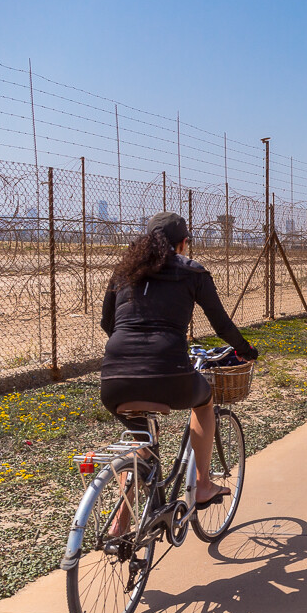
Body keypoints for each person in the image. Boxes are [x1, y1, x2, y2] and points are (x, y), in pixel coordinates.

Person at [100, 211, 259, 510]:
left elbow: (108, 324)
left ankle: (121, 520)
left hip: (113, 378)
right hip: (169, 373)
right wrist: (245, 348)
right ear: (183, 243)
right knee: (204, 401)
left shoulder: (124, 273)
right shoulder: (192, 272)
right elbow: (221, 325)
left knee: (143, 443)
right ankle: (202, 484)